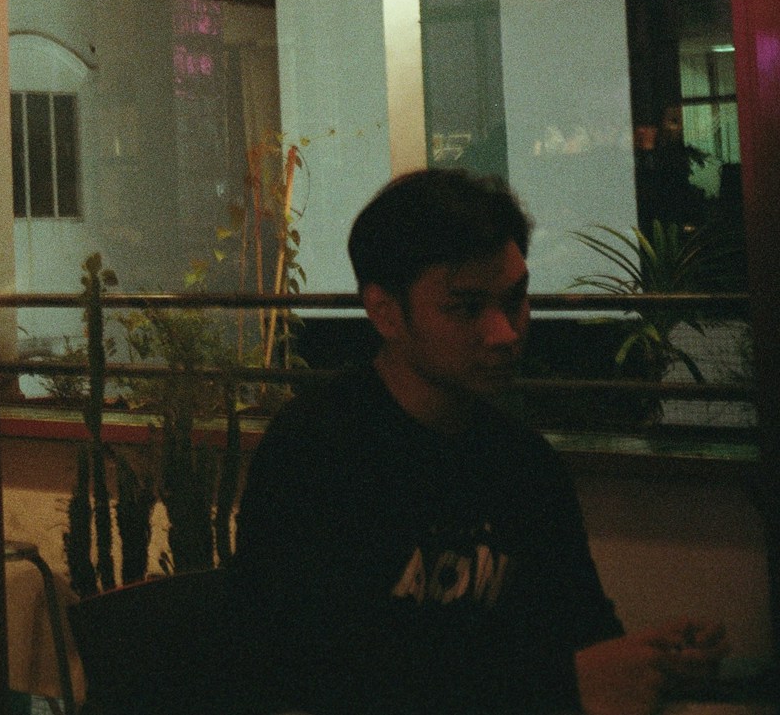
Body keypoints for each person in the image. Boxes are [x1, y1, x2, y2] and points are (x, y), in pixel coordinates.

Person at [225, 169, 727, 715]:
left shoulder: (523, 462)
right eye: (467, 308)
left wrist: (648, 660)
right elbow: (312, 678)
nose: (505, 332)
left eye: (514, 299)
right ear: (385, 311)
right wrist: (559, 689)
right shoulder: (319, 452)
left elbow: (581, 632)